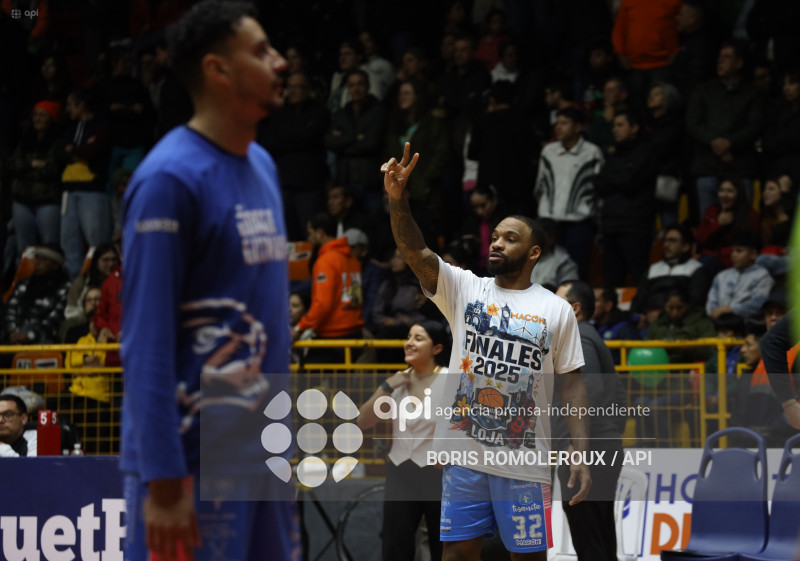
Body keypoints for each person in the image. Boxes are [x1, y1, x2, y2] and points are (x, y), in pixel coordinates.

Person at [120, 3, 299, 560]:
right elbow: (144, 343)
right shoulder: (168, 179)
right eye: (262, 51)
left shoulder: (263, 165)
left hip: (260, 445)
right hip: (192, 455)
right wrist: (163, 479)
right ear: (219, 70)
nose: (280, 62)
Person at [381, 142, 591, 560]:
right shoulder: (465, 288)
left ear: (533, 253)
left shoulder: (557, 310)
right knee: (457, 555)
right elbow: (414, 252)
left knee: (527, 558)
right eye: (495, 236)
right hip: (464, 457)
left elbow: (572, 383)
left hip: (527, 464)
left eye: (510, 239)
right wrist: (397, 201)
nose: (496, 243)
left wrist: (581, 449)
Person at [357, 321, 451, 561]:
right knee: (394, 543)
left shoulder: (452, 380)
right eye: (409, 337)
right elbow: (363, 422)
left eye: (418, 338)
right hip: (400, 469)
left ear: (437, 348)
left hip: (440, 472)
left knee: (444, 544)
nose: (409, 343)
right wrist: (386, 387)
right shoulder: (398, 382)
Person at [554, 280, 624, 561]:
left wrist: (576, 444)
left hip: (583, 451)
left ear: (575, 308)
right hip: (599, 446)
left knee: (589, 541)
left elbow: (589, 391)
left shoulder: (579, 337)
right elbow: (619, 397)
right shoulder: (592, 335)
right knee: (601, 537)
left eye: (557, 301)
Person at [534, 107, 604, 279]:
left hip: (579, 223)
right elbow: (539, 186)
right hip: (549, 222)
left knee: (577, 273)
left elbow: (599, 190)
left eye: (564, 123)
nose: (558, 127)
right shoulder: (548, 151)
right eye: (557, 123)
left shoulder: (591, 152)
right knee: (544, 272)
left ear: (578, 127)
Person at [632, 224, 710, 326]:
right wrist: (638, 317)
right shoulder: (653, 269)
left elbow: (696, 302)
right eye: (665, 240)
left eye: (672, 241)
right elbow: (638, 300)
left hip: (681, 324)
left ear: (686, 247)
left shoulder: (696, 269)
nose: (666, 245)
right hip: (648, 324)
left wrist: (664, 315)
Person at [2, 244, 70, 346]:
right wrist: (11, 333)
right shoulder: (24, 284)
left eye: (44, 260)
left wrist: (30, 335)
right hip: (13, 337)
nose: (38, 263)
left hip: (42, 341)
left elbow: (56, 319)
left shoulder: (65, 288)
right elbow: (10, 309)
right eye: (37, 259)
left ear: (56, 265)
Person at [706, 231, 774, 321]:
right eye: (733, 250)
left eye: (739, 251)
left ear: (753, 254)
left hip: (748, 325)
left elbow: (758, 305)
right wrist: (715, 313)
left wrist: (728, 309)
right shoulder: (721, 276)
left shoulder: (764, 276)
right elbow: (711, 305)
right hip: (720, 325)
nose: (733, 255)